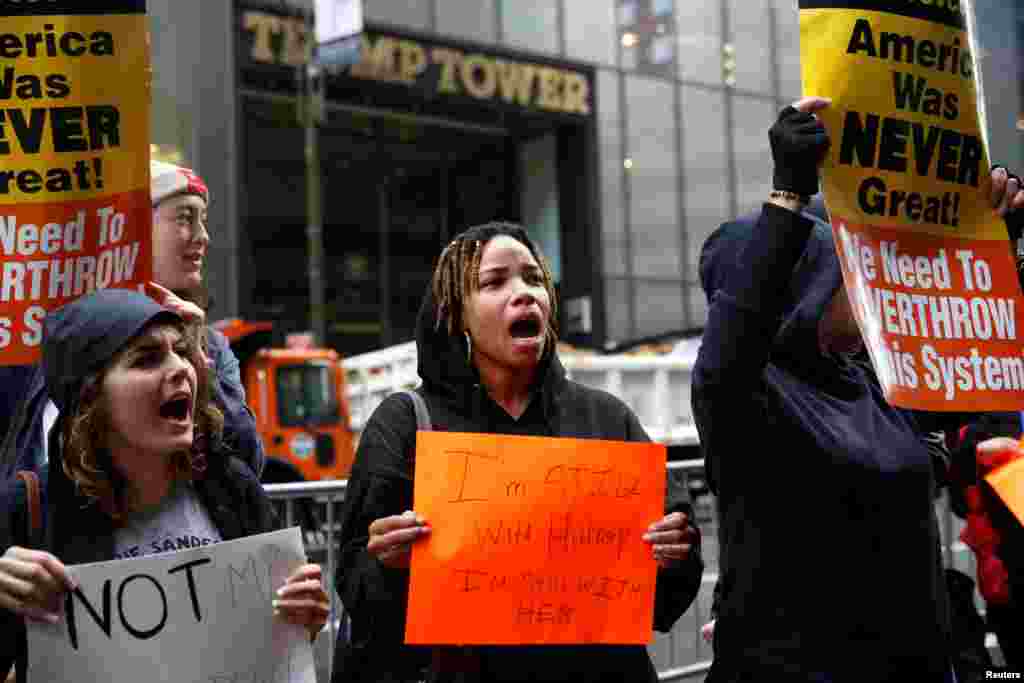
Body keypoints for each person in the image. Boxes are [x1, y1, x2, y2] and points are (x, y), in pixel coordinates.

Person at [692, 97, 1024, 682]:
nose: (870, 280)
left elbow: (986, 363)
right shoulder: (741, 398)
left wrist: (1002, 248)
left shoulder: (875, 384)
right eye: (846, 268)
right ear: (800, 286)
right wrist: (789, 190)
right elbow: (736, 334)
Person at [332, 222, 704, 683]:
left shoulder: (606, 420)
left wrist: (675, 554)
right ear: (456, 315)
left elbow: (665, 593)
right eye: (493, 282)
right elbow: (359, 591)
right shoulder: (404, 424)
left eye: (533, 278)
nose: (524, 293)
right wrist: (388, 566)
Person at [0, 289, 327, 683]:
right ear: (90, 397)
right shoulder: (28, 509)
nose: (181, 368)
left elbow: (280, 651)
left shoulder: (233, 490)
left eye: (181, 351)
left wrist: (303, 621)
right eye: (147, 359)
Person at [0, 161, 264, 479]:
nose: (202, 236)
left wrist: (198, 355)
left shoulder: (212, 347)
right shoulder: (35, 339)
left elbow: (247, 460)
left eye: (203, 221)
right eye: (185, 218)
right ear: (131, 227)